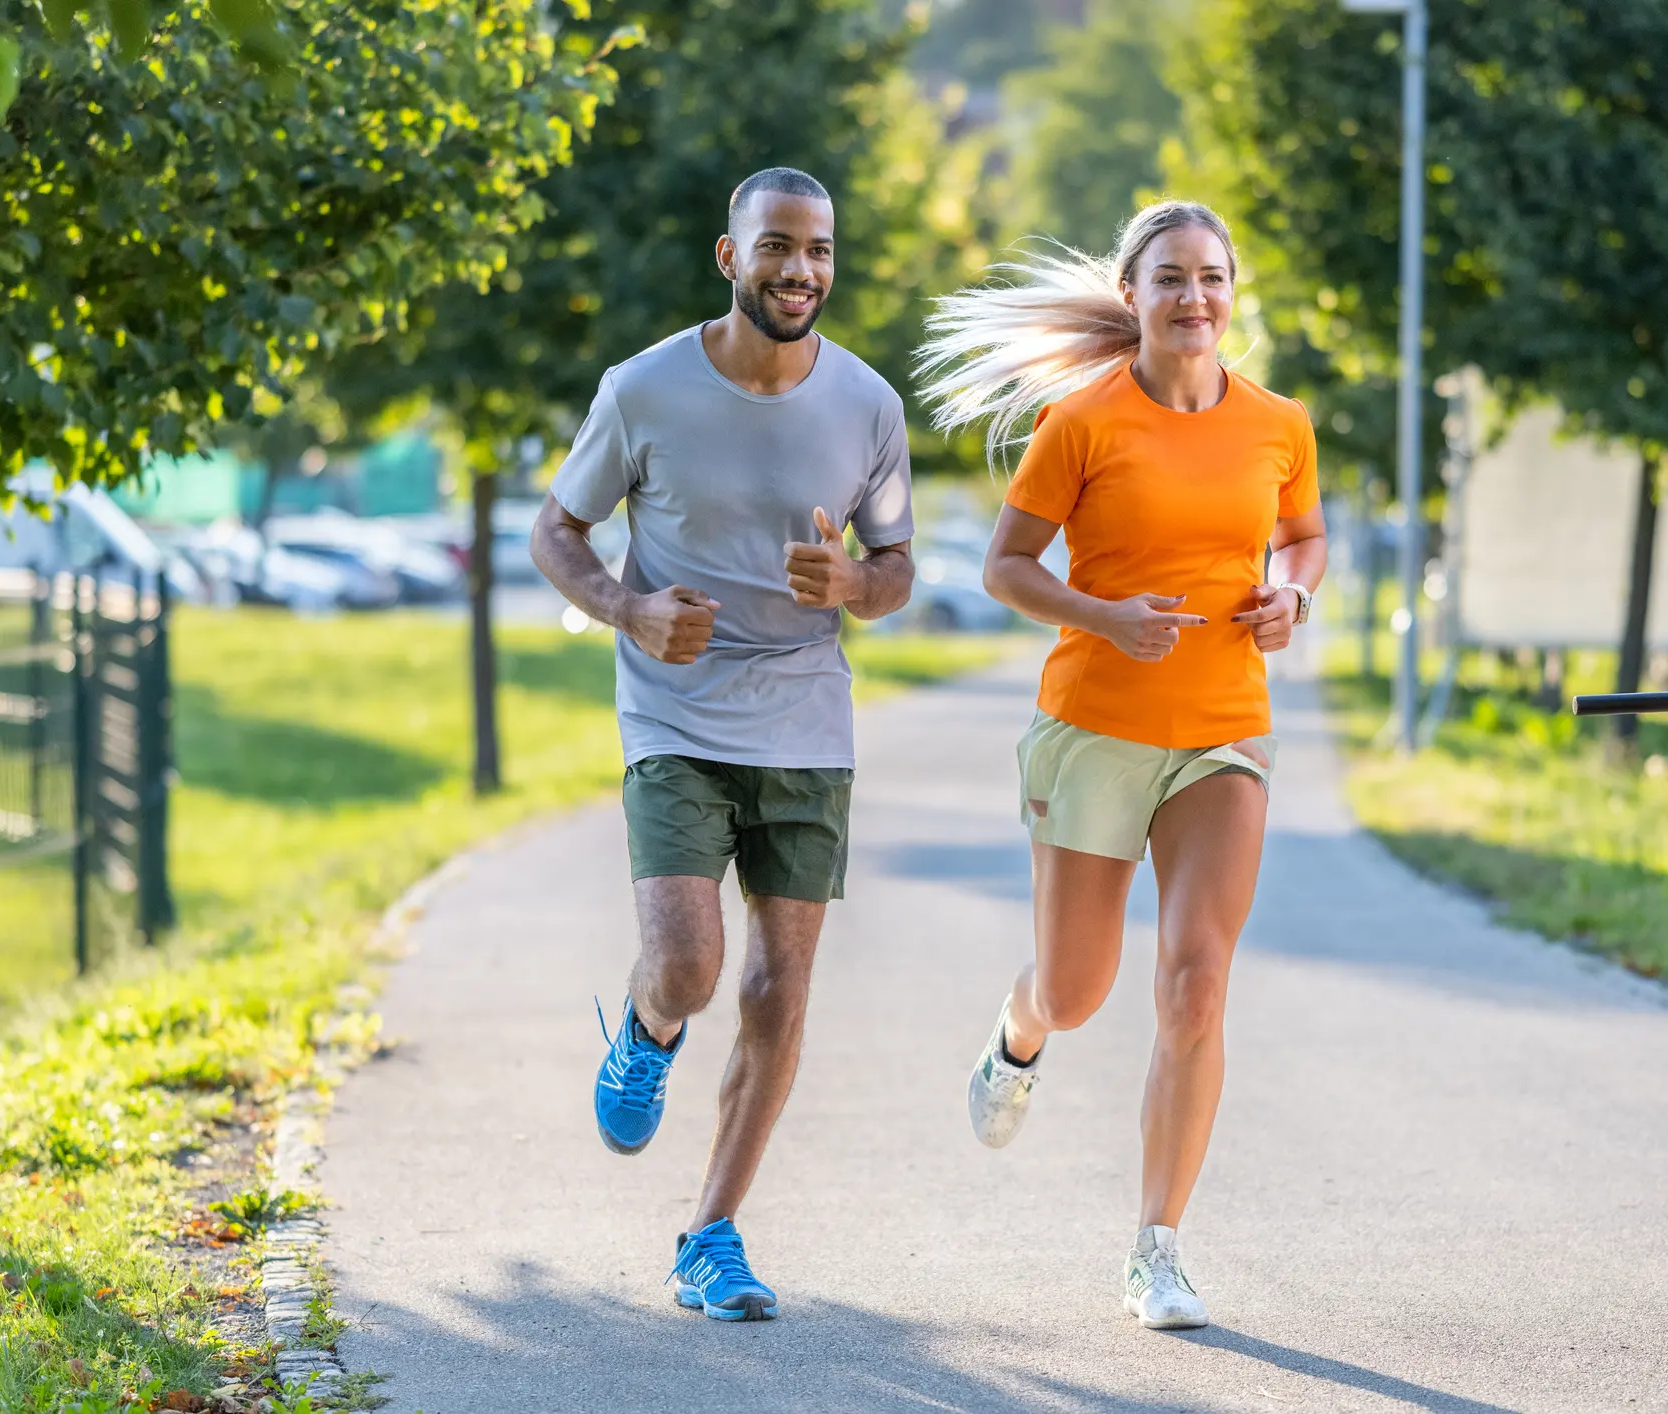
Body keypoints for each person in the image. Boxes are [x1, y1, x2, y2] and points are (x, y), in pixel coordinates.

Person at [915, 200, 1326, 1329]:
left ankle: (1158, 1248)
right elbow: (1006, 565)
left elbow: (1302, 534)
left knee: (1196, 982)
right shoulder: (1082, 421)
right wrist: (1101, 613)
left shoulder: (1279, 422)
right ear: (1132, 292)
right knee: (1079, 989)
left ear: (1232, 291)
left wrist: (1294, 591)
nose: (1196, 297)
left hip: (1224, 731)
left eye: (1213, 278)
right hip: (1095, 726)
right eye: (1171, 278)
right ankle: (1019, 1032)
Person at [530, 167, 915, 1322]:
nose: (802, 270)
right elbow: (558, 527)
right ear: (729, 256)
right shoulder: (644, 389)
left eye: (821, 251)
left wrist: (854, 579)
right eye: (780, 247)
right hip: (676, 709)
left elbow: (897, 571)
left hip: (805, 715)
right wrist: (626, 608)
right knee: (693, 965)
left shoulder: (868, 405)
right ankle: (649, 1029)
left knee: (778, 988)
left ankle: (710, 1234)